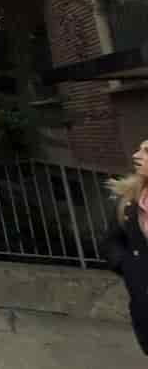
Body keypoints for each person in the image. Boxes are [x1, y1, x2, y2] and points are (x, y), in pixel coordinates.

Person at [103, 139, 148, 355]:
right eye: (139, 149)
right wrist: (126, 265)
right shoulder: (128, 197)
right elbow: (113, 240)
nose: (136, 156)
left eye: (146, 152)